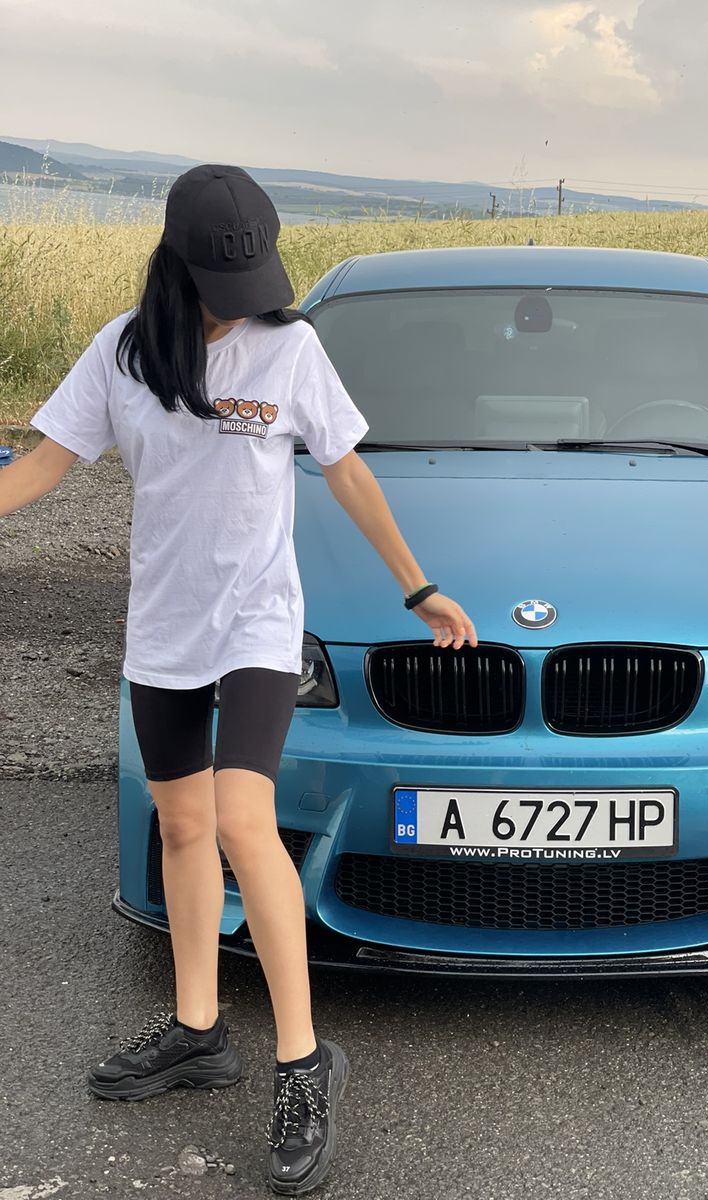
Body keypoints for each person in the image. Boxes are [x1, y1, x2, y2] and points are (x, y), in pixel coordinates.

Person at [0, 163, 477, 1195]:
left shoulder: (289, 347)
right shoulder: (123, 351)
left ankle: (302, 1062)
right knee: (181, 828)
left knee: (240, 820)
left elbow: (345, 466)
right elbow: (40, 466)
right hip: (163, 633)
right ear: (178, 262)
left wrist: (418, 587)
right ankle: (197, 1028)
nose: (246, 297)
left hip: (256, 626)